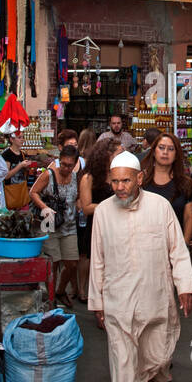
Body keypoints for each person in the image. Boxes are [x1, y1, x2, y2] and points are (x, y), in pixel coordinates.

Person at [89, 150, 192, 382]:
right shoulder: (103, 213)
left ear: (140, 178)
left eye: (125, 181)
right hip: (117, 302)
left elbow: (177, 250)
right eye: (114, 182)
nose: (119, 187)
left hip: (155, 298)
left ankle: (155, 380)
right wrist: (96, 303)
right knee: (122, 360)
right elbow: (97, 260)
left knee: (157, 355)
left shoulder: (160, 207)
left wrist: (185, 285)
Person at [30, 145, 81, 304]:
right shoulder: (49, 175)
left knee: (72, 262)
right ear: (59, 161)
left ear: (75, 164)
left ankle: (60, 290)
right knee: (53, 262)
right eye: (63, 164)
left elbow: (77, 196)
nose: (66, 168)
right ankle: (51, 296)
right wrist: (44, 207)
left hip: (69, 224)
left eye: (69, 165)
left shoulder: (75, 177)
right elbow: (33, 192)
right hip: (49, 222)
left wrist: (79, 204)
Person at [77, 136, 121, 319]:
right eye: (119, 153)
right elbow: (86, 208)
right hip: (96, 225)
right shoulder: (89, 177)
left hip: (117, 226)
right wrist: (114, 204)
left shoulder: (118, 174)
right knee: (95, 262)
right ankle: (89, 297)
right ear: (107, 155)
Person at [140, 132, 192, 253]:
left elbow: (189, 217)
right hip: (144, 248)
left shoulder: (185, 184)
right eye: (161, 147)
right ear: (153, 151)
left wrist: (183, 245)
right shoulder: (142, 181)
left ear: (176, 154)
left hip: (175, 248)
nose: (165, 152)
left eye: (171, 149)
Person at [0, 130, 35, 209]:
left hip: (21, 189)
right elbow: (6, 175)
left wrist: (27, 168)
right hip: (11, 190)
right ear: (11, 139)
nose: (22, 139)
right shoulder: (7, 154)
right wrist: (20, 165)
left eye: (23, 137)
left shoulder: (22, 153)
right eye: (19, 137)